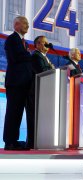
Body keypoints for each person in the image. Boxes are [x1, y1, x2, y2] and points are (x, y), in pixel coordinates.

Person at [3, 16, 33, 150]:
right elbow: (16, 57)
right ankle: (9, 141)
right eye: (24, 23)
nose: (27, 25)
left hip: (24, 83)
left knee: (18, 113)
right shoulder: (12, 39)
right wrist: (29, 55)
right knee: (12, 112)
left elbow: (24, 56)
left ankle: (14, 140)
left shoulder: (24, 43)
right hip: (15, 82)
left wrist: (27, 54)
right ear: (16, 25)